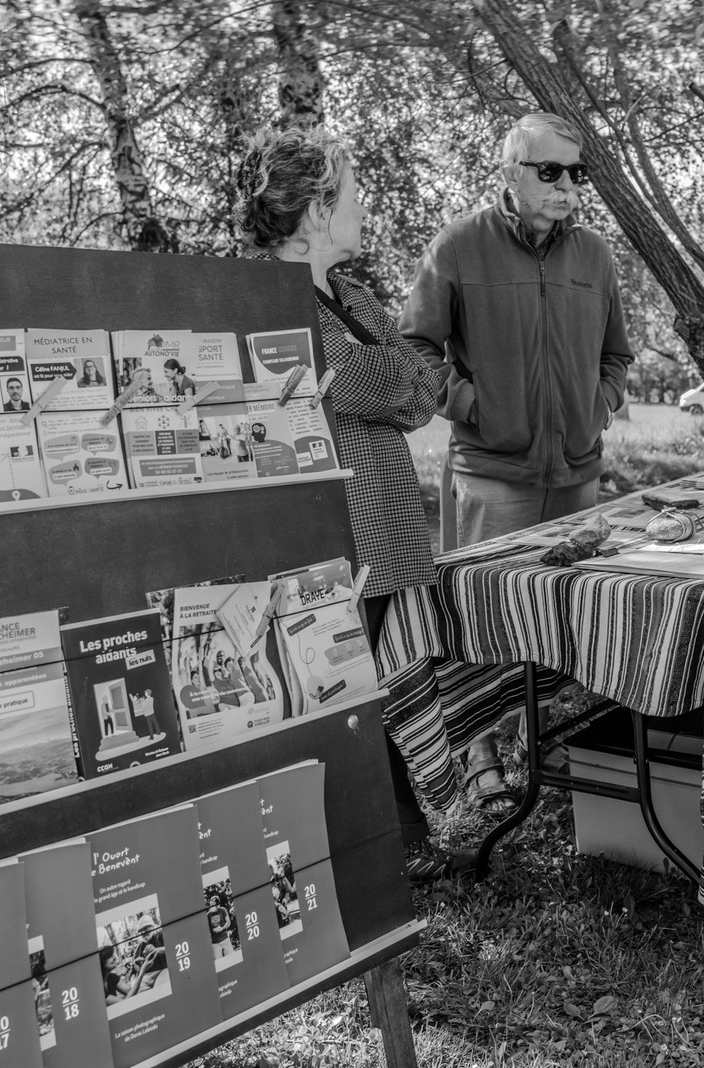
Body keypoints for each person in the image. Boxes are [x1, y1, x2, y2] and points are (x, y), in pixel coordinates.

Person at [235, 122, 471, 880]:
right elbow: (368, 382)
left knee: (386, 680)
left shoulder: (353, 295)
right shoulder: (261, 299)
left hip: (382, 528)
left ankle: (404, 837)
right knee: (339, 689)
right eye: (353, 194)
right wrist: (382, 376)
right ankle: (367, 848)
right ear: (315, 210)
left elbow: (419, 392)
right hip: (330, 533)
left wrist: (378, 377)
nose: (364, 207)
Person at [399, 111, 634, 813]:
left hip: (577, 473)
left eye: (576, 172)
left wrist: (599, 403)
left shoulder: (594, 255)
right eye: (550, 170)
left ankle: (536, 738)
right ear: (510, 172)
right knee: (483, 618)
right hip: (491, 474)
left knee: (559, 617)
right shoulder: (459, 246)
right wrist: (475, 405)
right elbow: (414, 348)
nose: (566, 186)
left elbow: (617, 354)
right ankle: (479, 755)